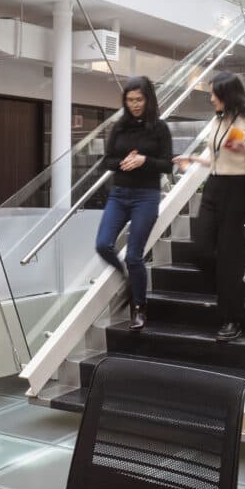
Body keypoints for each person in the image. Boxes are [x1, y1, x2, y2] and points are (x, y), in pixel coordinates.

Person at [174, 72, 245, 342]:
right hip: (214, 187)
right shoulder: (217, 121)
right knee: (200, 249)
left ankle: (232, 319)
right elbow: (215, 161)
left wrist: (244, 148)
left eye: (214, 94)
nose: (211, 98)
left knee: (230, 258)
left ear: (227, 95)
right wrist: (192, 159)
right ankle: (230, 288)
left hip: (238, 190)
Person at [95, 76, 172, 331]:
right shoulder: (119, 127)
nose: (134, 104)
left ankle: (139, 307)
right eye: (129, 100)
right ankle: (128, 281)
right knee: (103, 244)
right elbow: (107, 161)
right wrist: (122, 162)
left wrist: (143, 161)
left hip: (145, 196)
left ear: (148, 99)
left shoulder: (159, 128)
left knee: (134, 256)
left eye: (139, 99)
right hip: (120, 194)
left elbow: (168, 164)